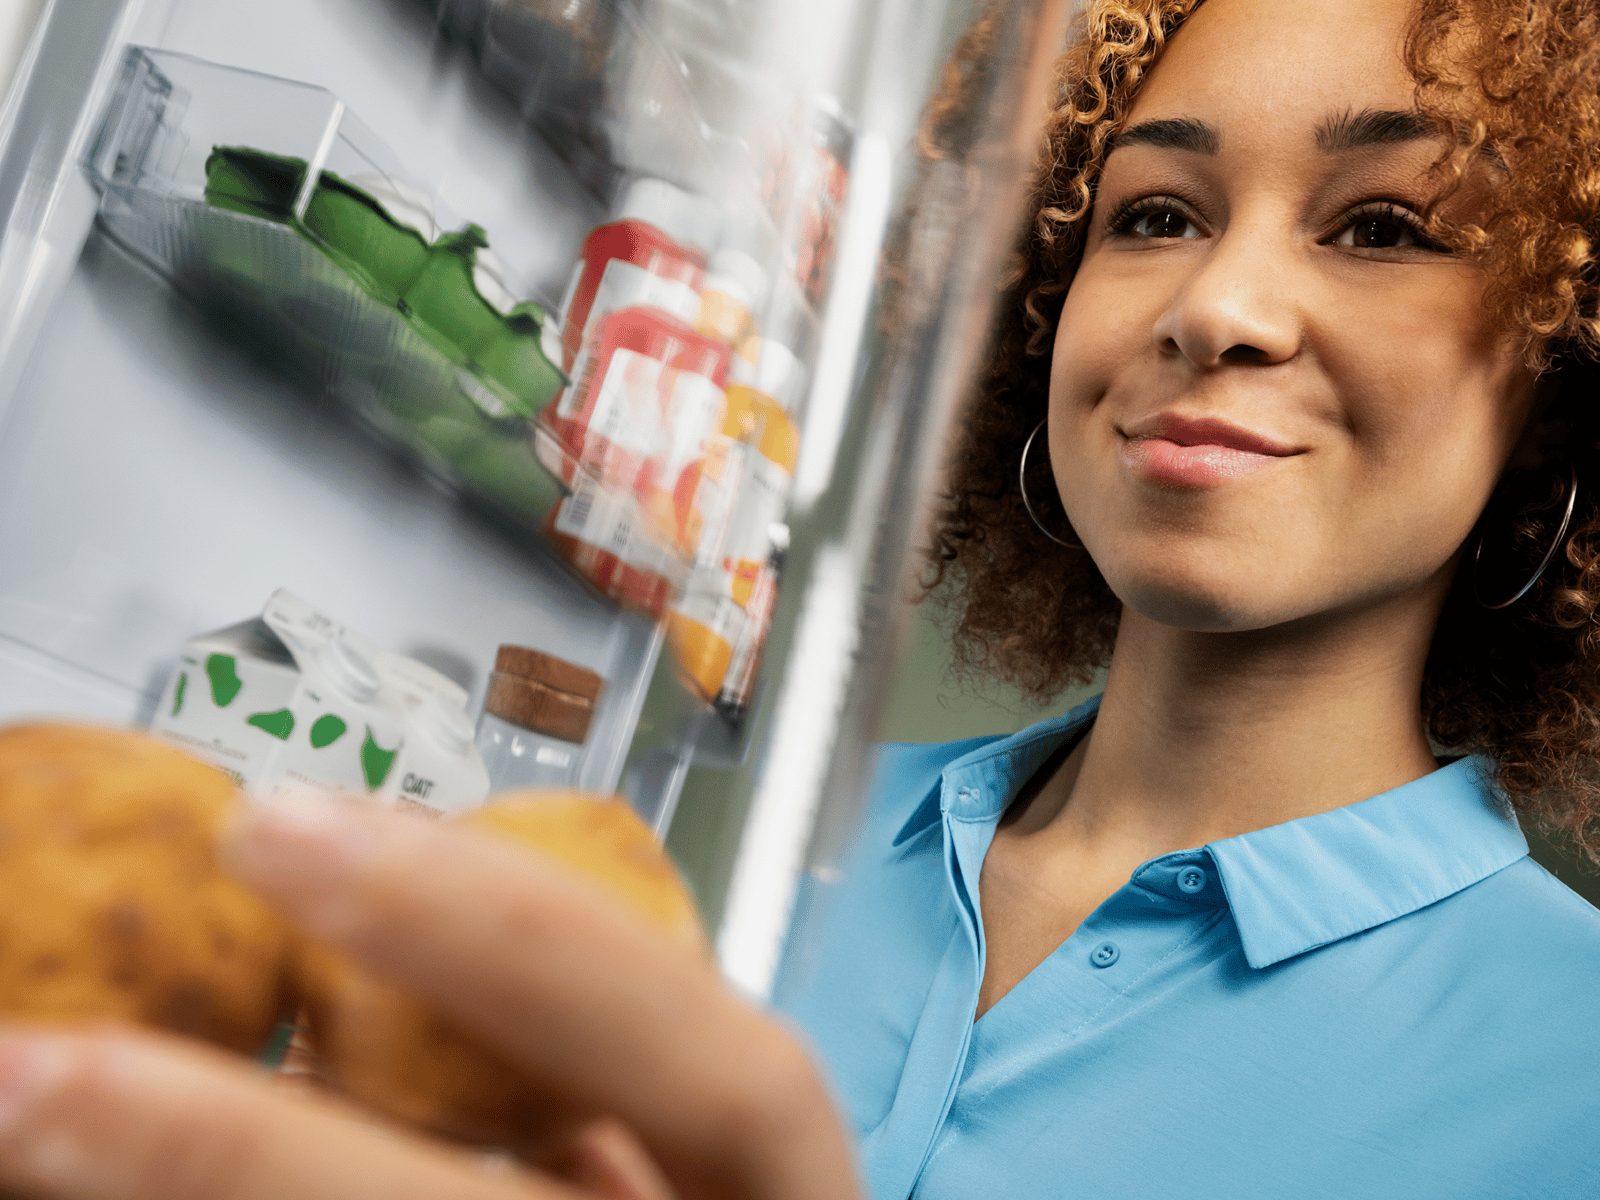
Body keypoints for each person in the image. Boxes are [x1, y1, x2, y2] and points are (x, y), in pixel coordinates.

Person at [0, 0, 1595, 1198]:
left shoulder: (1566, 1077)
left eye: (1385, 227)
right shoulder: (724, 840)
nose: (1215, 305)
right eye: (1155, 215)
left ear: (1561, 368)